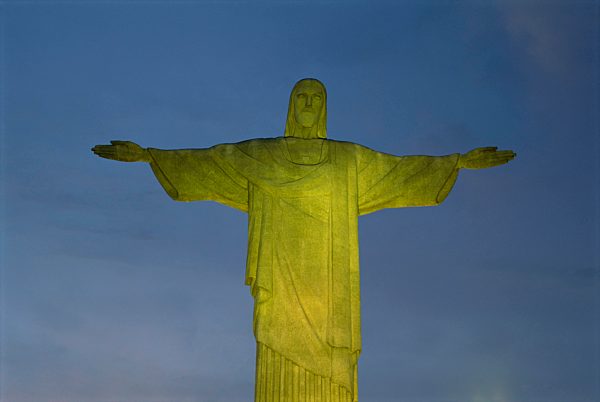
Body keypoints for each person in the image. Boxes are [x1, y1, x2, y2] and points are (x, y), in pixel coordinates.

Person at [92, 78, 515, 402]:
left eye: (317, 97)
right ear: (292, 106)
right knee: (278, 355)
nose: (309, 104)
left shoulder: (347, 160)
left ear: (325, 107)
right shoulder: (263, 155)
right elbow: (211, 161)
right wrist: (150, 155)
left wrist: (456, 163)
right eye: (302, 97)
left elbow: (398, 171)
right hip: (280, 279)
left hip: (329, 289)